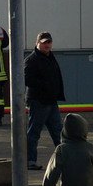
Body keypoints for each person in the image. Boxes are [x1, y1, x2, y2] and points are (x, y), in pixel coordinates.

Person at [24, 31, 65, 171]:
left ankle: (66, 158)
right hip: (39, 101)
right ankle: (30, 160)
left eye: (49, 42)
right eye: (44, 42)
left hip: (51, 101)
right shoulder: (32, 59)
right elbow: (27, 79)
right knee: (34, 132)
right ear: (37, 43)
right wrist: (46, 87)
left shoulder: (50, 58)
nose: (47, 45)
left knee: (58, 131)